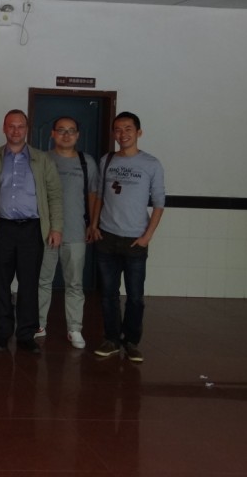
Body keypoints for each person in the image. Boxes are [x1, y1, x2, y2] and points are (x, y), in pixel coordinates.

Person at [0, 109, 62, 354]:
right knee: (1, 283)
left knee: (29, 284)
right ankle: (2, 333)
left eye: (20, 126)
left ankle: (26, 334)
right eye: (11, 126)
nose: (16, 131)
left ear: (27, 129)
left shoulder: (42, 160)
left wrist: (56, 227)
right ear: (4, 128)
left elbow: (55, 195)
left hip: (32, 230)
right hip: (1, 228)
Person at [89, 112, 165, 363]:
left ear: (139, 132)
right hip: (107, 237)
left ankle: (131, 341)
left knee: (135, 297)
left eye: (128, 129)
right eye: (118, 130)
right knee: (108, 294)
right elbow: (100, 195)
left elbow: (159, 204)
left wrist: (147, 237)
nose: (123, 134)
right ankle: (111, 339)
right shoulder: (107, 160)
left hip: (135, 240)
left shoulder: (151, 164)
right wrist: (94, 224)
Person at [36, 116, 99, 349]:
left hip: (75, 233)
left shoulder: (86, 162)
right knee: (42, 281)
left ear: (78, 135)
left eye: (71, 130)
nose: (66, 135)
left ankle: (74, 328)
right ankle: (39, 324)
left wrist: (92, 224)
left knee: (74, 283)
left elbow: (93, 194)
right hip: (46, 233)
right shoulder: (43, 159)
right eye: (61, 130)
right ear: (52, 133)